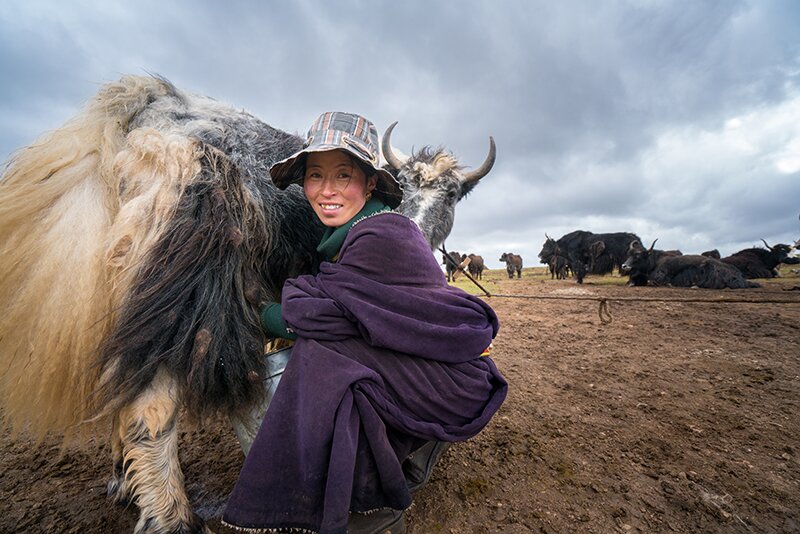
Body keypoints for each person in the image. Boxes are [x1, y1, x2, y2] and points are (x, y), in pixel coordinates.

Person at [222, 112, 507, 534]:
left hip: (445, 388)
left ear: (370, 183)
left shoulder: (383, 234)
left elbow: (325, 317)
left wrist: (261, 313)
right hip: (434, 376)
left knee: (315, 359)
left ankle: (371, 510)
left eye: (343, 174)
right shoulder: (352, 234)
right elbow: (359, 310)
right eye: (315, 176)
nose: (327, 190)